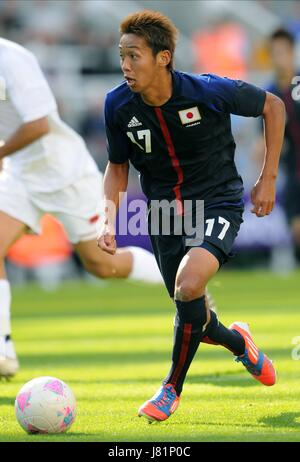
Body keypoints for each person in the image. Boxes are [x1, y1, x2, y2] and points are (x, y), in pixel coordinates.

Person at [97, 10, 285, 423]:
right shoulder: (117, 105)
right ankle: (240, 343)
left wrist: (267, 178)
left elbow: (272, 106)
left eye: (134, 56)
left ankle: (170, 390)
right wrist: (108, 220)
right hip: (164, 213)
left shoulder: (206, 91)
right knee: (191, 310)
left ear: (163, 58)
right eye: (122, 56)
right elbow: (117, 167)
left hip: (217, 201)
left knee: (189, 282)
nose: (125, 65)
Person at [0, 37, 163, 378]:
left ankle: (181, 282)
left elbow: (39, 124)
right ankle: (4, 350)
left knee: (100, 264)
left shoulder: (13, 58)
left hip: (63, 171)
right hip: (17, 173)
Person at [254, 28, 300, 263]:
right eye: (275, 53)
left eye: (283, 52)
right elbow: (262, 141)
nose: (279, 57)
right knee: (297, 232)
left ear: (292, 53)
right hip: (292, 174)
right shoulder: (268, 94)